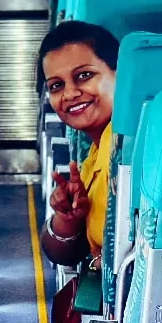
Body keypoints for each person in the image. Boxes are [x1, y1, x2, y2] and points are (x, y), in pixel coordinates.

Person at [39, 21, 119, 267]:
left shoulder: (126, 148)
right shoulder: (96, 154)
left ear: (121, 74)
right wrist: (68, 218)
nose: (70, 93)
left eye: (84, 75)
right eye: (57, 85)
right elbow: (62, 255)